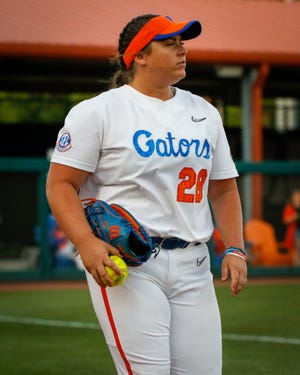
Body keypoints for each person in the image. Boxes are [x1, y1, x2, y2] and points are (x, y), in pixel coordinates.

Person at [46, 14, 247, 375]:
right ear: (139, 55)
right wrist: (86, 243)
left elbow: (223, 188)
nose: (182, 49)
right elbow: (60, 184)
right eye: (170, 43)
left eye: (182, 42)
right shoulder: (98, 112)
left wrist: (234, 247)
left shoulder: (204, 112)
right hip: (130, 264)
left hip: (195, 264)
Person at [282, 189, 300, 265]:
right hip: (296, 231)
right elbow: (285, 220)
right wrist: (294, 216)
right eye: (296, 197)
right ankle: (296, 266)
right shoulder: (290, 207)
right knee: (297, 249)